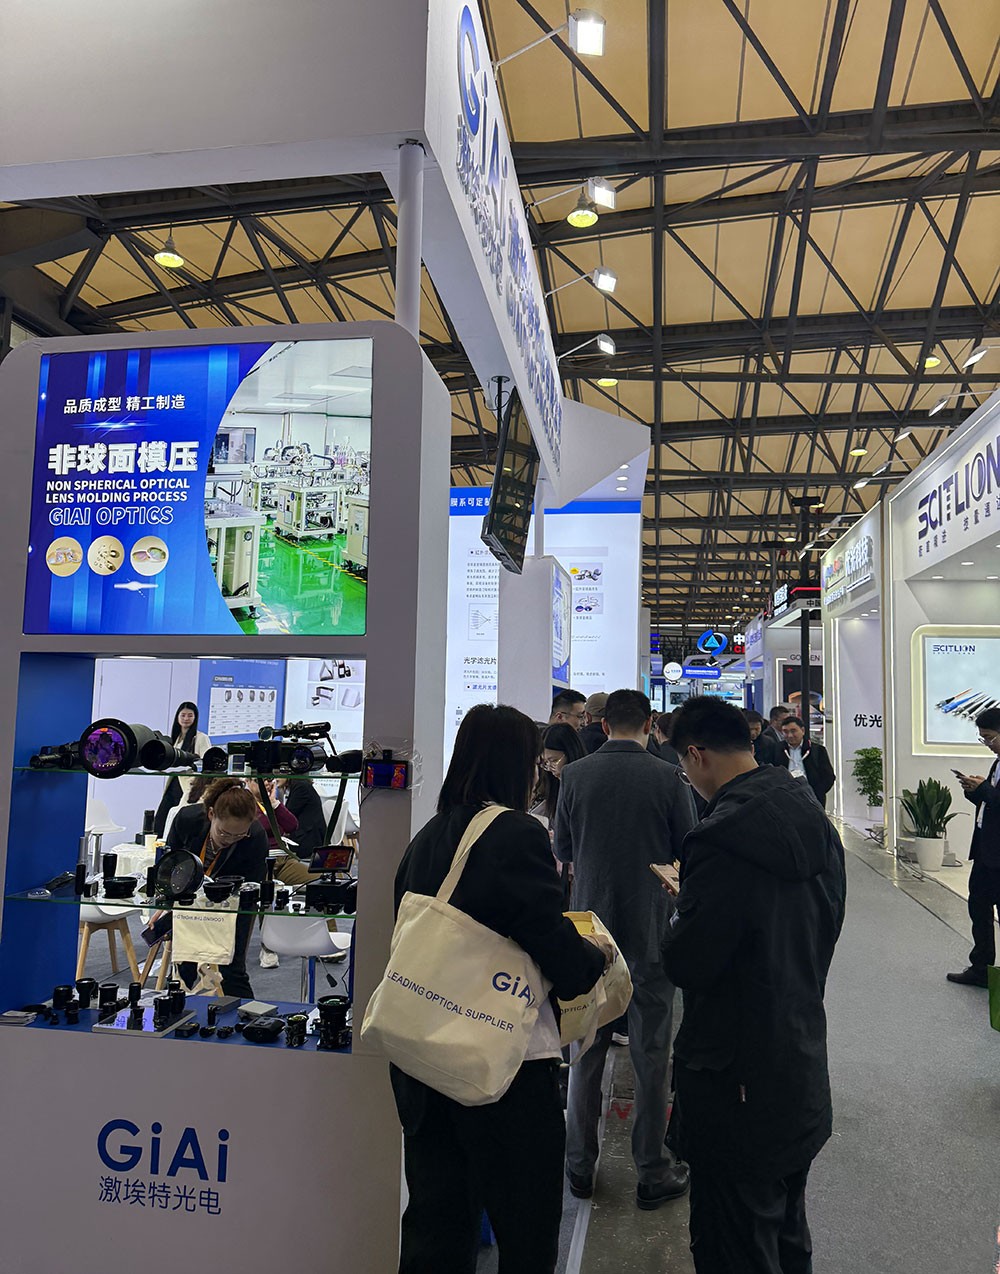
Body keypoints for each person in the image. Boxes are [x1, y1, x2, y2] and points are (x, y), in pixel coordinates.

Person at [390, 704, 608, 1274]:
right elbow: (554, 946)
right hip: (502, 1064)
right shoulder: (514, 832)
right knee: (526, 1228)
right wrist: (595, 957)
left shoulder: (428, 837)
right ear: (516, 764)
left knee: (436, 1226)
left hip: (422, 1057)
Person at [662, 697, 846, 1274]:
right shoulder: (811, 816)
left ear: (696, 755)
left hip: (731, 1075)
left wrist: (684, 909)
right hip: (797, 1055)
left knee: (732, 1241)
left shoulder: (718, 838)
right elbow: (823, 921)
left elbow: (690, 962)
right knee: (787, 1232)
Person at [555, 688, 696, 1210]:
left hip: (589, 933)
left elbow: (563, 848)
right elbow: (688, 848)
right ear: (650, 723)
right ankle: (651, 1170)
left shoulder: (575, 775)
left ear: (603, 723)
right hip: (650, 932)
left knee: (585, 1051)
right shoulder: (668, 776)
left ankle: (579, 1166)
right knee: (652, 1055)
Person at [159, 778, 268, 999]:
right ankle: (179, 1010)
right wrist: (166, 903)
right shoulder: (187, 819)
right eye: (224, 833)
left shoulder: (255, 836)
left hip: (232, 903)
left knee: (231, 967)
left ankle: (245, 1014)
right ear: (211, 815)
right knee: (185, 964)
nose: (231, 840)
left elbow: (252, 887)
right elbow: (171, 866)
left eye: (239, 835)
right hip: (189, 899)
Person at [947, 707, 1000, 988]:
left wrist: (984, 790)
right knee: (978, 909)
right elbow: (992, 803)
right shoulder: (997, 763)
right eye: (983, 739)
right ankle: (981, 968)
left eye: (990, 738)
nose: (987, 744)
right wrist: (974, 791)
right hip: (985, 851)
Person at [152, 702, 212, 835]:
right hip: (174, 782)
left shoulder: (201, 738)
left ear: (195, 718)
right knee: (161, 820)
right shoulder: (175, 738)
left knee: (178, 820)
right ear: (177, 717)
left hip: (189, 785)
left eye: (190, 715)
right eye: (183, 715)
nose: (186, 718)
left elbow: (207, 763)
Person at [781, 716, 836, 808]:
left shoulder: (817, 750)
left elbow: (828, 776)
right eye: (785, 732)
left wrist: (817, 792)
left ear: (802, 730)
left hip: (812, 798)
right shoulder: (776, 750)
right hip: (785, 799)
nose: (790, 735)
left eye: (793, 731)